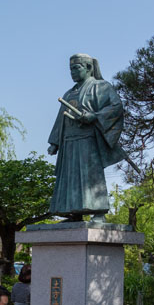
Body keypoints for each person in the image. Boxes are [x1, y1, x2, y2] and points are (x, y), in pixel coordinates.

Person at [47, 53, 127, 221]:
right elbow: (61, 118)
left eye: (76, 68)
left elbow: (116, 107)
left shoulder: (101, 86)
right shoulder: (69, 94)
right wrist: (55, 142)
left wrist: (95, 115)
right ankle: (74, 213)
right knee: (70, 178)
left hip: (87, 140)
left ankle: (98, 212)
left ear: (89, 68)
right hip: (69, 142)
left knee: (91, 177)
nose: (72, 73)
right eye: (70, 69)